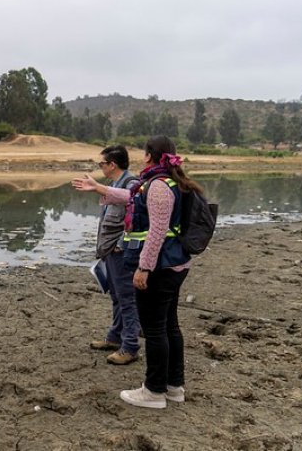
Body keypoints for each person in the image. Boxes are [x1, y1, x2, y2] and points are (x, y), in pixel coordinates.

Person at [75, 135, 202, 409]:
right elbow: (131, 196)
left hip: (160, 267)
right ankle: (173, 387)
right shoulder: (164, 182)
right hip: (174, 264)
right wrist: (99, 188)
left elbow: (156, 231)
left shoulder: (157, 186)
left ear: (148, 156)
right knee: (169, 326)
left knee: (156, 330)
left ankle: (154, 391)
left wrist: (144, 268)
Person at [71, 145, 142, 365]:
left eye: (102, 163)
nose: (100, 167)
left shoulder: (131, 184)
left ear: (112, 164)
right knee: (116, 296)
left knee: (126, 298)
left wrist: (120, 245)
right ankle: (114, 337)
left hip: (120, 251)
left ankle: (130, 346)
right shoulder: (113, 184)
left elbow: (135, 217)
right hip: (111, 250)